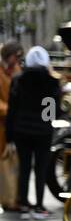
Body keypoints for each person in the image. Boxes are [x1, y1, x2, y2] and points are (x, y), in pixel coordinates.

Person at [5, 46, 61, 218]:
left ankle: (23, 203)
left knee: (25, 167)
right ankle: (38, 204)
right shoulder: (51, 81)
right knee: (41, 168)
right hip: (43, 132)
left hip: (21, 130)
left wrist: (9, 135)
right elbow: (51, 112)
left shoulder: (18, 80)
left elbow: (12, 109)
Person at [0, 41, 21, 212]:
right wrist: (10, 110)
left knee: (13, 163)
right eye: (16, 56)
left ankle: (13, 198)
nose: (18, 60)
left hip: (15, 125)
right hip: (2, 124)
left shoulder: (18, 71)